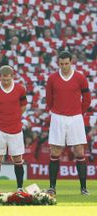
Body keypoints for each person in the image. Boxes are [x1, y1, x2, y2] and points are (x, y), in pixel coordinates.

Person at [45, 51, 91, 195]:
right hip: (58, 117)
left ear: (71, 62)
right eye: (61, 64)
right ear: (58, 63)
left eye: (66, 63)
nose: (64, 66)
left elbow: (87, 97)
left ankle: (83, 188)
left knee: (79, 151)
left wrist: (79, 111)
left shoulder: (80, 77)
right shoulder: (52, 78)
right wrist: (56, 111)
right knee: (55, 151)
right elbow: (48, 99)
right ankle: (52, 187)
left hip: (75, 118)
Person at [0, 65, 27, 193]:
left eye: (8, 80)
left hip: (15, 128)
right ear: (0, 78)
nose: (5, 82)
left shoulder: (20, 89)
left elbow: (23, 106)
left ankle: (20, 187)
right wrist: (0, 118)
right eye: (3, 80)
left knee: (17, 158)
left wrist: (14, 117)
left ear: (12, 77)